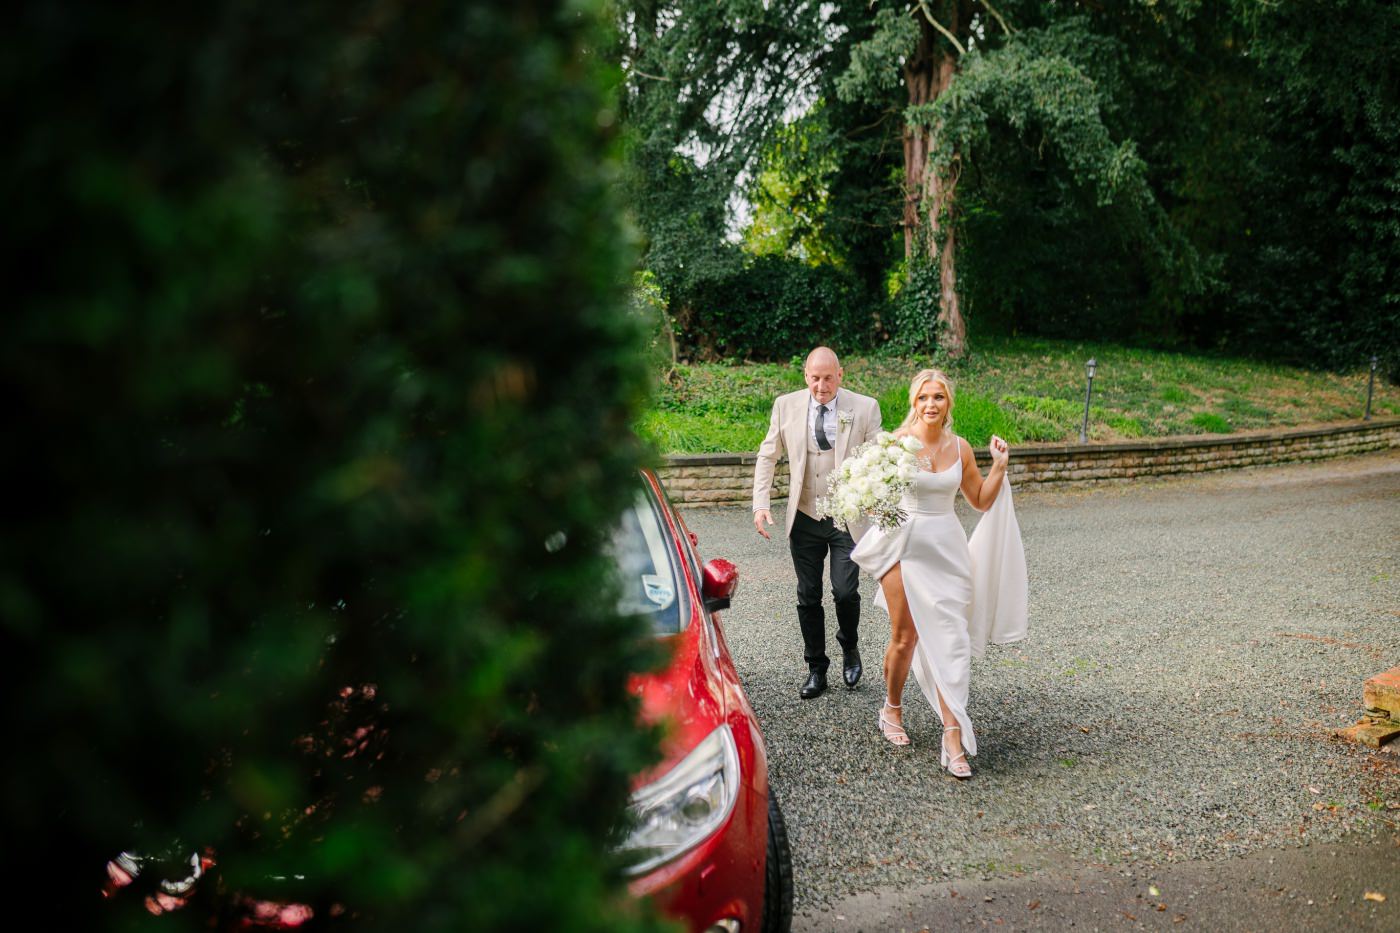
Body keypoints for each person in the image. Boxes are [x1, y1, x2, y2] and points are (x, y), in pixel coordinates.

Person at [851, 368, 1028, 778]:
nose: (931, 404)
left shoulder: (960, 447)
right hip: (903, 546)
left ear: (949, 403)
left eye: (939, 397)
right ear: (914, 402)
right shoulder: (895, 445)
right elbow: (874, 500)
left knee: (953, 641)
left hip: (948, 551)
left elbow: (981, 501)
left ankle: (952, 735)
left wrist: (999, 465)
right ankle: (891, 708)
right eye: (924, 397)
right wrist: (881, 512)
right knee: (906, 635)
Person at [753, 347, 883, 699]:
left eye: (828, 378)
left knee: (844, 591)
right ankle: (816, 667)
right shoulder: (786, 405)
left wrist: (882, 505)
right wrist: (760, 504)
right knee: (808, 594)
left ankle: (850, 647)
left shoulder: (865, 407)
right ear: (805, 375)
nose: (821, 386)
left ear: (841, 374)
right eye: (815, 378)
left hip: (847, 518)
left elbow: (879, 462)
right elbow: (768, 456)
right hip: (805, 516)